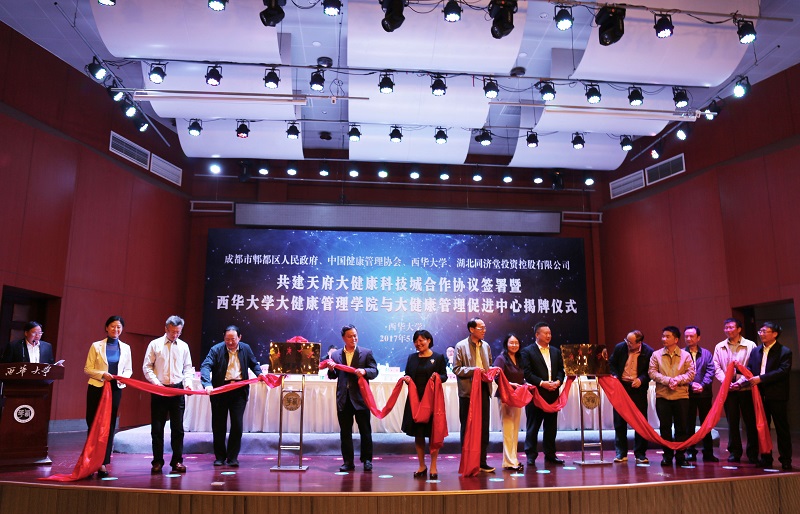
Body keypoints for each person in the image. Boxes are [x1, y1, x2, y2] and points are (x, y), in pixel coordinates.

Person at [200, 325, 264, 467]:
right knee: (219, 426)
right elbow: (205, 366)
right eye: (227, 339)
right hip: (220, 391)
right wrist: (207, 384)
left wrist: (259, 374)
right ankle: (220, 457)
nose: (230, 342)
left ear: (239, 338)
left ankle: (233, 457)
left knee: (237, 425)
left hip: (239, 392)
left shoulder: (245, 348)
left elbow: (254, 364)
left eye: (233, 339)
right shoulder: (216, 349)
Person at [142, 315, 194, 474]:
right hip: (159, 390)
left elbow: (188, 368)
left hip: (177, 390)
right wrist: (157, 384)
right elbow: (147, 367)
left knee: (178, 429)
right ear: (166, 329)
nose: (175, 335)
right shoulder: (155, 344)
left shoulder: (184, 346)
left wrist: (188, 383)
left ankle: (177, 461)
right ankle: (157, 461)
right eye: (172, 332)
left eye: (178, 332)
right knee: (157, 428)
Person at [83, 315, 133, 478]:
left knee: (109, 425)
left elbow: (128, 369)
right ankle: (89, 461)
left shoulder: (126, 348)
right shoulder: (96, 346)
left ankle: (102, 463)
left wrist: (122, 377)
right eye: (112, 326)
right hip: (97, 387)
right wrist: (102, 374)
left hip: (115, 389)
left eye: (119, 327)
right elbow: (88, 369)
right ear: (106, 327)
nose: (115, 329)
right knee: (93, 423)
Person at [327, 324, 379, 472]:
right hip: (343, 399)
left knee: (365, 430)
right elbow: (333, 376)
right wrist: (331, 370)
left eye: (355, 335)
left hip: (361, 398)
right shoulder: (336, 355)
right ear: (343, 338)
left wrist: (365, 371)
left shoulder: (366, 353)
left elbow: (374, 371)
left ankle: (367, 460)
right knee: (345, 432)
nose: (353, 338)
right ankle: (348, 462)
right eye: (350, 336)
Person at [401, 329, 447, 480]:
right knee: (419, 434)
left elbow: (444, 376)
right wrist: (406, 379)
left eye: (421, 340)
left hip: (433, 401)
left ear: (429, 340)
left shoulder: (438, 357)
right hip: (416, 401)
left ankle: (433, 465)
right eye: (416, 341)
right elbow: (407, 374)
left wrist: (437, 377)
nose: (418, 343)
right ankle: (422, 465)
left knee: (433, 434)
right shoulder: (412, 358)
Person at [747, 321, 793, 470]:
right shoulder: (756, 351)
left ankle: (785, 459)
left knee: (781, 428)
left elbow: (782, 371)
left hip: (777, 395)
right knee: (762, 428)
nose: (761, 334)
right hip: (759, 395)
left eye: (765, 331)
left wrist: (761, 378)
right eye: (760, 331)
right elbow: (750, 368)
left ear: (775, 334)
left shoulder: (784, 351)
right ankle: (766, 458)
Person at [712, 317, 758, 463]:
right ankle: (735, 452)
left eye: (731, 327)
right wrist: (726, 382)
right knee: (732, 422)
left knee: (750, 421)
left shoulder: (750, 345)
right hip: (728, 390)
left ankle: (753, 453)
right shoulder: (720, 346)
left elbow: (752, 366)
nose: (728, 330)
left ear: (739, 329)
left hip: (745, 388)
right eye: (726, 327)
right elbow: (716, 366)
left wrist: (740, 382)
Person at [520, 322, 565, 466]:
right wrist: (542, 383)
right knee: (533, 426)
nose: (548, 336)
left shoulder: (556, 351)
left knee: (551, 427)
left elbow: (561, 370)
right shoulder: (527, 351)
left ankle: (550, 454)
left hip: (552, 394)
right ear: (537, 335)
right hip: (536, 394)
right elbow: (527, 373)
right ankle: (531, 455)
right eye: (545, 333)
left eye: (550, 333)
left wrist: (558, 381)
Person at [648, 325, 695, 467]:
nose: (664, 339)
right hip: (663, 396)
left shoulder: (686, 355)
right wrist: (668, 381)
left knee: (681, 428)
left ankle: (680, 456)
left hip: (681, 396)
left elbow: (691, 373)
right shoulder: (656, 355)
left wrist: (677, 380)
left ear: (676, 339)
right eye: (663, 336)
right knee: (665, 428)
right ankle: (667, 456)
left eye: (667, 336)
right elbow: (652, 372)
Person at [453, 317, 494, 473]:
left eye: (485, 328)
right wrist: (474, 371)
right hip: (468, 392)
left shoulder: (486, 346)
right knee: (467, 427)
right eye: (481, 328)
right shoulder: (461, 346)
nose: (484, 331)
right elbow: (457, 369)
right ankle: (467, 462)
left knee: (484, 427)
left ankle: (482, 461)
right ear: (471, 329)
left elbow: (488, 365)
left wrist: (491, 372)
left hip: (483, 389)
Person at [608, 329, 654, 464]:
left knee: (640, 422)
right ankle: (621, 453)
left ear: (639, 343)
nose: (627, 344)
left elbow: (651, 371)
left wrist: (641, 379)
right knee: (619, 422)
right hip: (621, 387)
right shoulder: (620, 347)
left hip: (638, 389)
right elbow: (611, 363)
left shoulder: (648, 352)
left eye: (630, 342)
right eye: (626, 340)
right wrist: (615, 376)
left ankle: (640, 453)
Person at [683, 325, 718, 462]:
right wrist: (691, 384)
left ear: (698, 338)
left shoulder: (706, 353)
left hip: (704, 394)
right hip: (687, 393)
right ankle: (690, 452)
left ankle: (708, 452)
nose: (688, 338)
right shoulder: (681, 353)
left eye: (691, 336)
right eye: (686, 336)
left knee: (706, 424)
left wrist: (702, 385)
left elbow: (710, 370)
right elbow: (680, 372)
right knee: (689, 424)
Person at [492, 333, 525, 471]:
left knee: (515, 429)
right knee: (508, 429)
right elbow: (496, 377)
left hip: (517, 396)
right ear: (506, 344)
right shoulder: (501, 359)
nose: (514, 345)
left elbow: (522, 377)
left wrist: (525, 384)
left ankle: (512, 459)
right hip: (505, 396)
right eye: (511, 343)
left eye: (516, 343)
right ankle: (509, 461)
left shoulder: (519, 358)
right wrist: (510, 384)